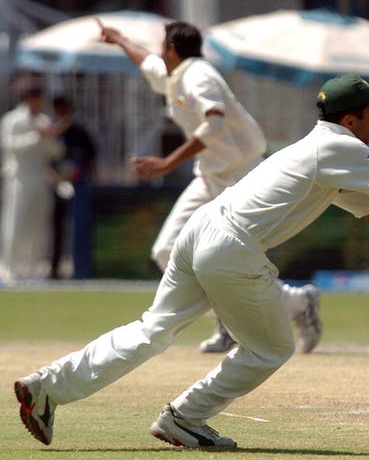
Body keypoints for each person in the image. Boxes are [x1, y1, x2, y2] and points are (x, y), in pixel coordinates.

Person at [14, 73, 369, 449]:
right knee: (270, 348)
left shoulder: (326, 153)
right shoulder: (339, 147)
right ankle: (183, 418)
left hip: (201, 230)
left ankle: (46, 387)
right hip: (230, 244)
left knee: (152, 328)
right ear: (351, 120)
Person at [98, 19, 322, 354]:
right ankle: (294, 302)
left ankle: (263, 314)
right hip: (210, 176)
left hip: (243, 176)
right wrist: (119, 39)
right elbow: (147, 61)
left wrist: (166, 163)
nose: (160, 53)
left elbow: (214, 124)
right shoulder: (177, 74)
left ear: (172, 50)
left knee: (232, 258)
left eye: (163, 48)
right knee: (166, 250)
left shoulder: (199, 75)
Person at [0, 87, 63, 282]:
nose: (39, 103)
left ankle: (35, 268)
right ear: (28, 99)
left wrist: (50, 136)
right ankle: (8, 268)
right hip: (19, 179)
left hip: (41, 179)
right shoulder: (13, 120)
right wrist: (36, 136)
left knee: (40, 226)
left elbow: (56, 152)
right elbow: (11, 147)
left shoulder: (43, 120)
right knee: (15, 223)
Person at [48, 96, 97, 280]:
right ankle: (54, 270)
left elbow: (91, 156)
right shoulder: (52, 132)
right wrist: (55, 177)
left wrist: (82, 176)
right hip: (56, 185)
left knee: (79, 229)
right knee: (56, 229)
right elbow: (47, 160)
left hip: (79, 185)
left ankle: (80, 270)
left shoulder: (79, 131)